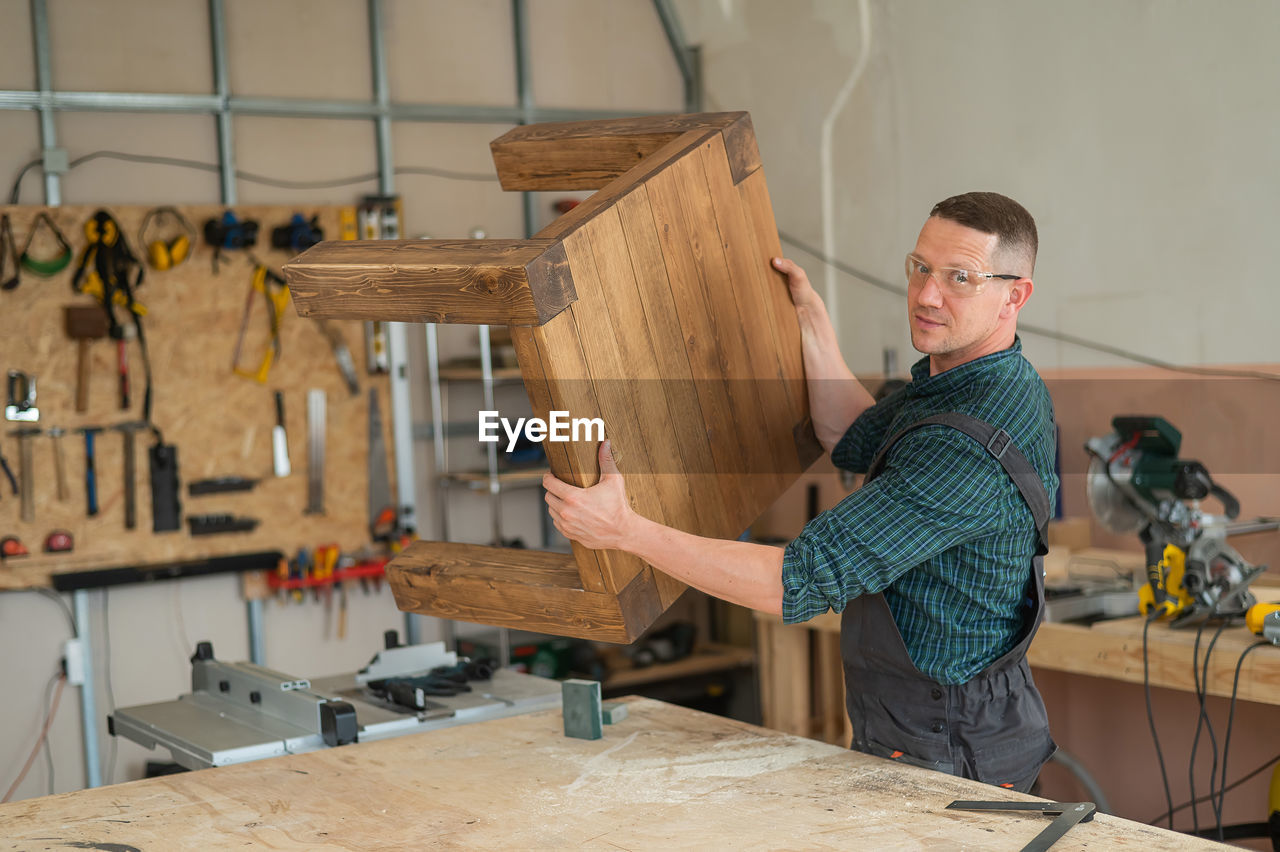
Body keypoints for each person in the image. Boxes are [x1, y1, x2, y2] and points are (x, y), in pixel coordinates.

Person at [542, 191, 1059, 792]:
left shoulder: (965, 444)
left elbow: (795, 581)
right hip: (928, 726)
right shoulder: (962, 381)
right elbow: (850, 434)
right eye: (920, 267)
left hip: (951, 748)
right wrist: (810, 319)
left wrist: (625, 531)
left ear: (1014, 295)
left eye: (960, 278)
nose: (925, 295)